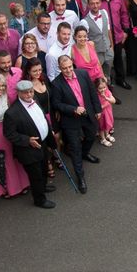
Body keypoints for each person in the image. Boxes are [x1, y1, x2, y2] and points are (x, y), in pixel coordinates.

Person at [50, 55, 101, 193]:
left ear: (73, 64)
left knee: (91, 136)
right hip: (71, 119)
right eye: (64, 68)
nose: (68, 70)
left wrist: (97, 109)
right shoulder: (56, 83)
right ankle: (80, 176)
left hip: (88, 113)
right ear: (59, 68)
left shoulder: (83, 74)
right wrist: (73, 109)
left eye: (69, 67)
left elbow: (92, 92)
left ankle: (85, 153)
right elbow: (56, 104)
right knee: (75, 148)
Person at [3, 80, 57, 209]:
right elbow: (9, 134)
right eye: (25, 93)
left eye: (31, 91)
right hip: (29, 150)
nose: (29, 95)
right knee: (35, 175)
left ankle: (43, 187)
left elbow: (43, 120)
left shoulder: (35, 100)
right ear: (18, 93)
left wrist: (51, 140)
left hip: (43, 144)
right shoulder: (12, 113)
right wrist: (27, 140)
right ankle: (39, 200)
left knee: (44, 169)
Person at [99, 0, 131, 90]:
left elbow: (124, 14)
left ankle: (121, 79)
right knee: (106, 62)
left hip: (117, 35)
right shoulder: (96, 0)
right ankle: (107, 84)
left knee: (118, 58)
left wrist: (126, 31)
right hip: (104, 39)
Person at [81, 0, 114, 79]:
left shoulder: (104, 12)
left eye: (97, 3)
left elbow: (108, 29)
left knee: (107, 72)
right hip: (96, 53)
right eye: (92, 3)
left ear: (100, 3)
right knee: (97, 75)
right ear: (88, 5)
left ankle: (108, 85)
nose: (95, 6)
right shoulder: (84, 21)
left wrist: (112, 46)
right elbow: (84, 41)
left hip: (108, 50)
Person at [95, 77, 116, 147]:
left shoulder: (107, 92)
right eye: (100, 88)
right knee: (101, 126)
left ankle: (107, 135)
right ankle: (103, 139)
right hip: (100, 113)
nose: (102, 90)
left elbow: (114, 101)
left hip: (107, 112)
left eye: (104, 87)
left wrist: (106, 98)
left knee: (107, 123)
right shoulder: (95, 95)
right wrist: (103, 106)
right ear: (96, 88)